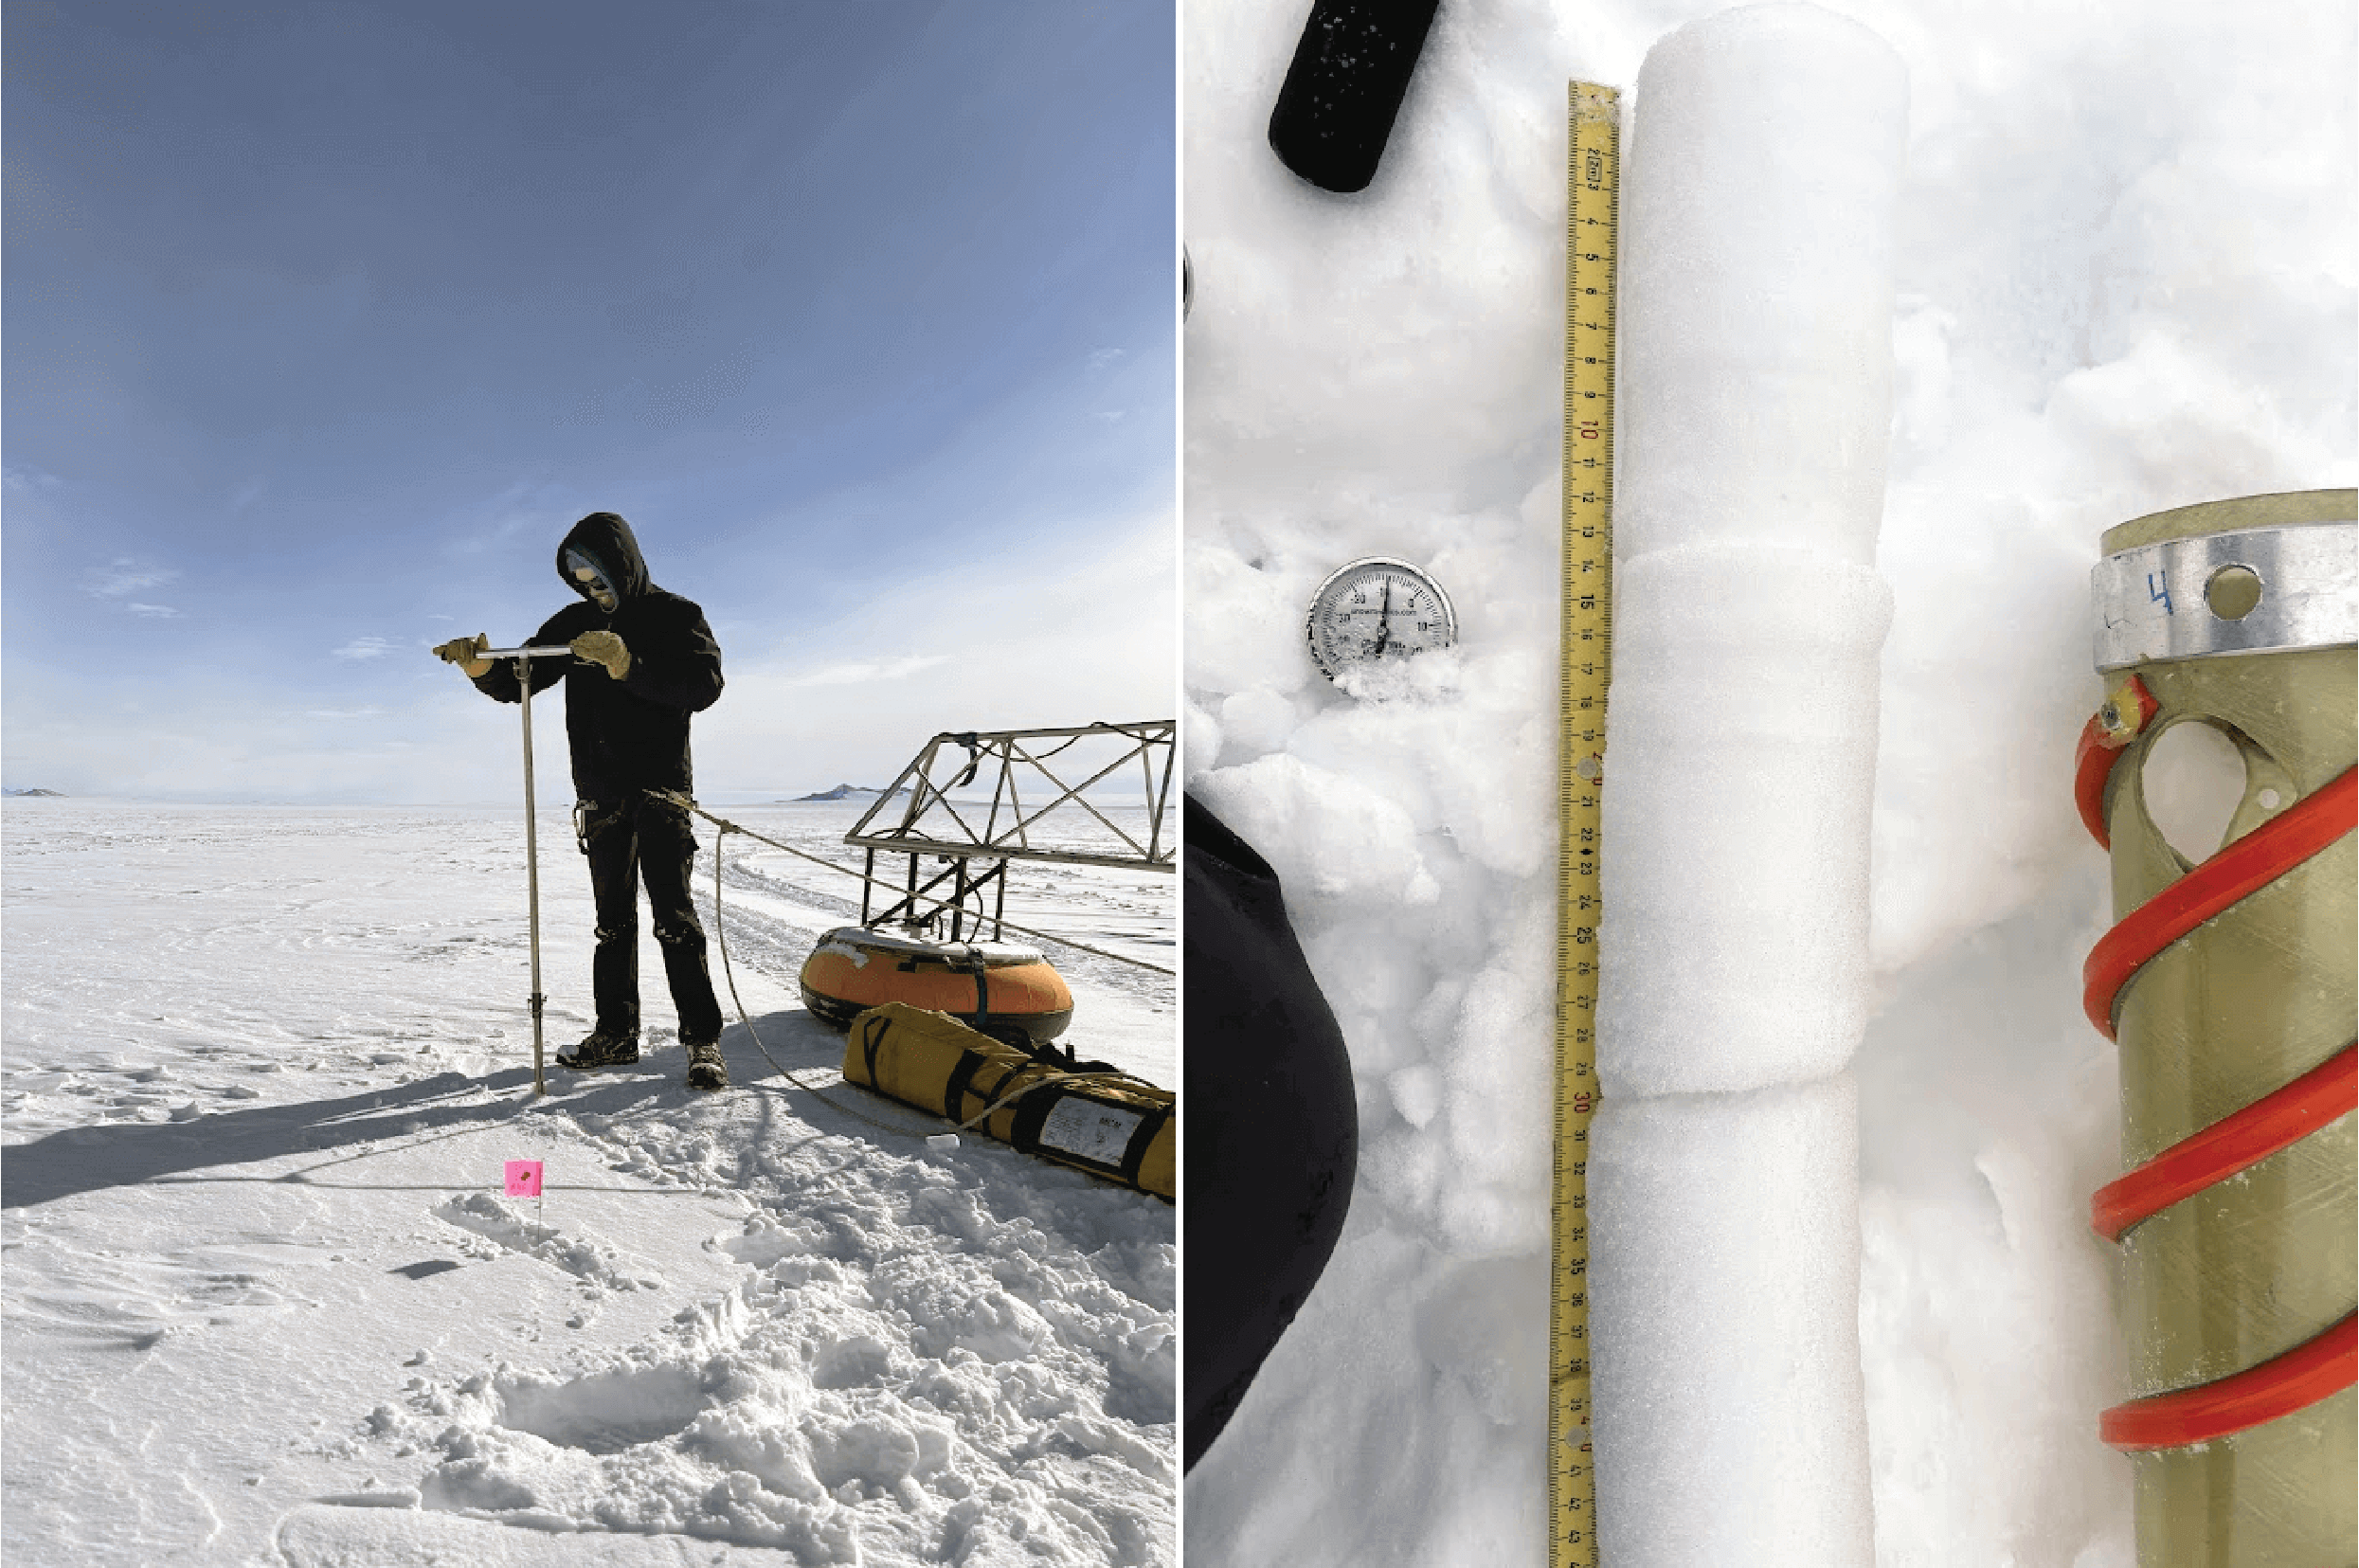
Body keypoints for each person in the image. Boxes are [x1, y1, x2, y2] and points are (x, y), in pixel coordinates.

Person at [433, 512, 731, 1091]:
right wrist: (479, 667)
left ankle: (703, 1041)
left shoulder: (676, 616)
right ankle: (616, 1035)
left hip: (662, 793)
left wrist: (627, 665)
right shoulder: (573, 624)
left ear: (622, 564)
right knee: (611, 925)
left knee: (675, 920)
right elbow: (522, 674)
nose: (590, 587)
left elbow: (704, 685)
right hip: (600, 797)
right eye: (578, 577)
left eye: (597, 574)